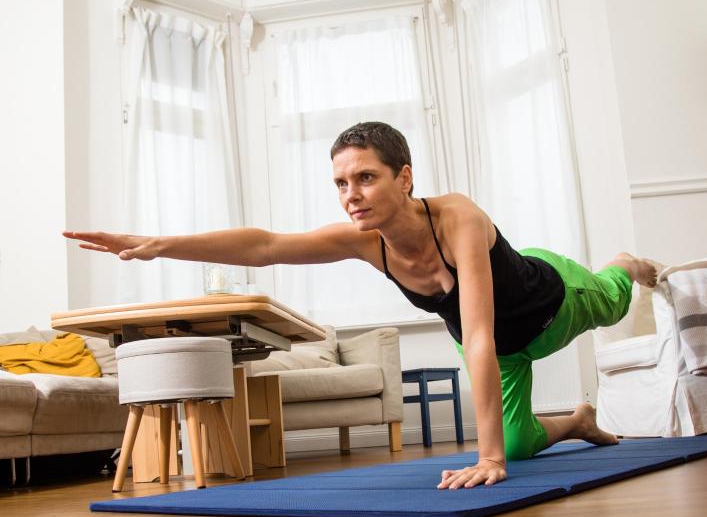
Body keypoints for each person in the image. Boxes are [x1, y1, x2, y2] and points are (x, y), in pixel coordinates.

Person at [64, 121, 657, 491]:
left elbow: (477, 333)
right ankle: (576, 419)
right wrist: (160, 244)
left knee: (613, 298)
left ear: (404, 178)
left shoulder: (459, 218)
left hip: (554, 304)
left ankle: (623, 263)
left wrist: (488, 459)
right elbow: (267, 245)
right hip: (496, 344)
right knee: (523, 441)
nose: (352, 196)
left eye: (366, 178)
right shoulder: (364, 242)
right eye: (342, 183)